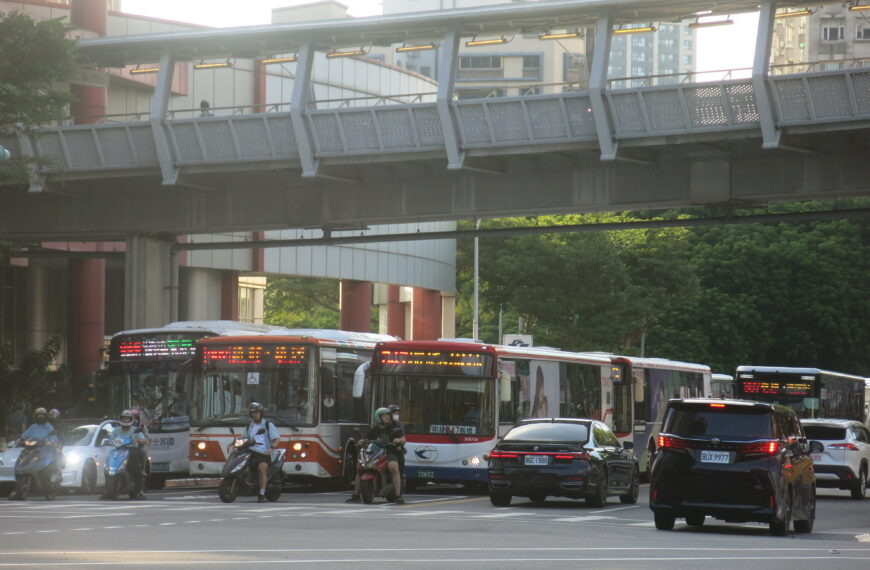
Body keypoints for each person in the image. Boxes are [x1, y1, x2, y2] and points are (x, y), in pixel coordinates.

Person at [347, 407, 406, 504]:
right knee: (360, 467)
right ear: (379, 417)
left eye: (388, 416)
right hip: (376, 453)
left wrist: (399, 440)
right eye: (384, 416)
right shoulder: (373, 430)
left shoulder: (393, 428)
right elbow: (366, 439)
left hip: (390, 451)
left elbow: (403, 439)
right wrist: (362, 441)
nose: (387, 418)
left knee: (394, 467)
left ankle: (398, 495)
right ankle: (356, 494)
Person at [10, 408, 59, 498]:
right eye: (38, 415)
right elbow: (24, 435)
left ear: (45, 417)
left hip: (45, 451)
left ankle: (48, 489)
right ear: (35, 417)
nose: (40, 417)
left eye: (42, 415)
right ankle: (17, 489)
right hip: (32, 451)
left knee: (45, 465)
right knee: (20, 462)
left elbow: (54, 438)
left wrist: (49, 442)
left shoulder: (48, 426)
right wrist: (20, 440)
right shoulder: (33, 427)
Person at [103, 410, 149, 499]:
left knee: (136, 468)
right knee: (107, 466)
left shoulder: (135, 430)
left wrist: (138, 440)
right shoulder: (116, 430)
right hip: (118, 450)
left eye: (127, 419)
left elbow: (145, 440)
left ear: (131, 419)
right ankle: (108, 489)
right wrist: (109, 442)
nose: (125, 420)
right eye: (124, 418)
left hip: (131, 450)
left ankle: (139, 491)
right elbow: (111, 439)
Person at [246, 402, 279, 503]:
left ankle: (262, 493)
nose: (254, 414)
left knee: (262, 468)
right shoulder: (249, 426)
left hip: (263, 454)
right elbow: (244, 438)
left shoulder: (268, 425)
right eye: (252, 412)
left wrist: (272, 448)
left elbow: (277, 439)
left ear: (261, 413)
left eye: (256, 412)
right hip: (251, 453)